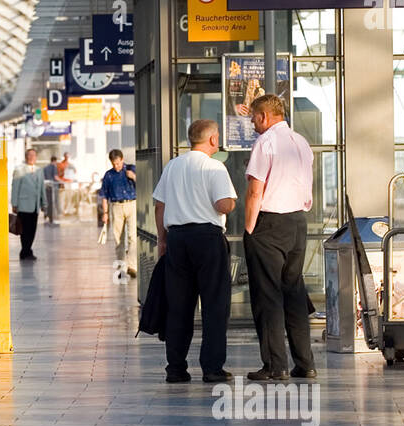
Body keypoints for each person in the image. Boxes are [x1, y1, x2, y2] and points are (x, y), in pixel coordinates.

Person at [152, 119, 237, 384]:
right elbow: (223, 205)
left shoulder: (173, 165)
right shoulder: (215, 167)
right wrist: (233, 202)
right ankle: (212, 368)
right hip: (207, 239)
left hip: (177, 239)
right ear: (212, 139)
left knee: (179, 305)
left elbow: (159, 205)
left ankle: (176, 368)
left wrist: (162, 240)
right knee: (214, 304)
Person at [242, 94, 316, 382]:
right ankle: (305, 364)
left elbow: (255, 191)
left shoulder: (266, 143)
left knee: (268, 296)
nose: (251, 122)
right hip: (297, 221)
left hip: (270, 224)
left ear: (264, 116)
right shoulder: (301, 141)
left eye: (254, 118)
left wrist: (249, 230)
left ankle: (276, 366)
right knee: (294, 293)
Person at [98, 149, 138, 277]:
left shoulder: (131, 169)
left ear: (122, 159)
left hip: (131, 203)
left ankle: (132, 266)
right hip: (116, 206)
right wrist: (105, 213)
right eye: (114, 164)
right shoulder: (109, 175)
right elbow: (104, 195)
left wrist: (134, 177)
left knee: (133, 236)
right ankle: (121, 267)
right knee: (118, 238)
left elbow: (143, 185)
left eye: (118, 163)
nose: (116, 166)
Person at [10, 147, 47, 260]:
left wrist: (43, 203)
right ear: (26, 157)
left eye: (33, 155)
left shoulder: (39, 170)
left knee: (32, 230)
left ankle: (28, 250)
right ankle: (25, 251)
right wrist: (14, 204)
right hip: (23, 205)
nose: (31, 157)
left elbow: (42, 188)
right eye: (29, 155)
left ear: (36, 157)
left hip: (35, 206)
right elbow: (15, 187)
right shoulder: (19, 169)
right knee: (24, 230)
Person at [42, 155, 59, 224]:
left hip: (46, 187)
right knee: (53, 202)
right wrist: (63, 181)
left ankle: (46, 214)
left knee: (47, 201)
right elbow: (56, 177)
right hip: (53, 187)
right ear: (55, 161)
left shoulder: (45, 168)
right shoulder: (54, 167)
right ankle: (51, 217)